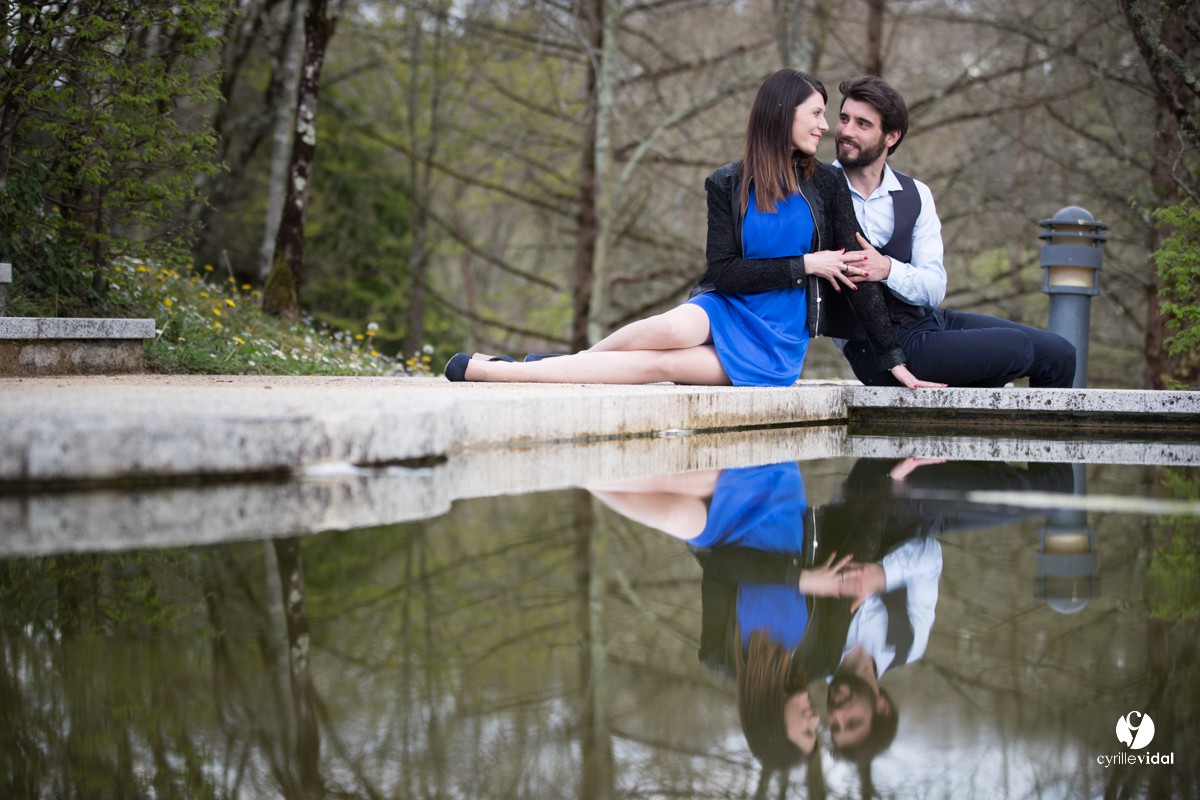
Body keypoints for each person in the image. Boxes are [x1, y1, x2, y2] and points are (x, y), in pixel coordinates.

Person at [444, 70, 942, 390]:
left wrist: (893, 359)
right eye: (816, 113)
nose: (825, 126)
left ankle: (501, 370)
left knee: (659, 365)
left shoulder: (828, 185)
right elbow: (724, 273)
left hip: (776, 340)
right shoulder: (726, 182)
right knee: (666, 330)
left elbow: (859, 279)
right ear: (781, 114)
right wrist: (807, 264)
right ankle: (538, 368)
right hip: (726, 304)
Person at [831, 74, 1077, 388]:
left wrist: (888, 269)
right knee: (1015, 348)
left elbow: (935, 286)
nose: (846, 131)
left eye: (862, 124)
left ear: (891, 137)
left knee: (1059, 354)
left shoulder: (916, 194)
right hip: (877, 349)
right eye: (844, 119)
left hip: (927, 321)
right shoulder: (820, 190)